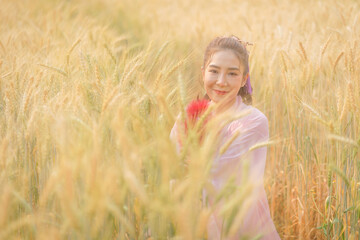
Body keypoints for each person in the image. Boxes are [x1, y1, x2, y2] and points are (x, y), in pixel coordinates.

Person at [170, 36, 281, 239]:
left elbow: (221, 173)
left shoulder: (253, 120)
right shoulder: (188, 115)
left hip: (240, 226)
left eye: (232, 73)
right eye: (214, 71)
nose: (221, 81)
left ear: (244, 79)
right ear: (203, 73)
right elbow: (172, 167)